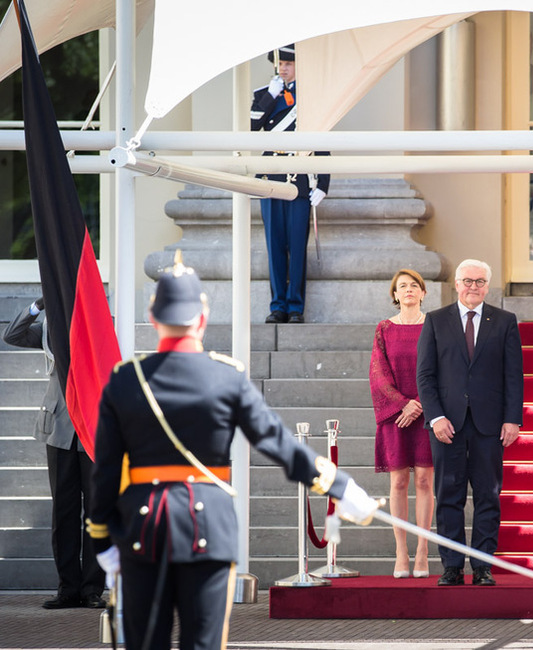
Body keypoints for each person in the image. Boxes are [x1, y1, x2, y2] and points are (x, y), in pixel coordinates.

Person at [85, 258, 378, 650]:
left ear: (154, 318)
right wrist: (337, 485)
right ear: (202, 318)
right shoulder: (226, 376)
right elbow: (277, 442)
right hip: (210, 526)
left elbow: (103, 472)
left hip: (144, 528)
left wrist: (103, 541)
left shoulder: (125, 380)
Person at [416, 259, 523, 586]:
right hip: (446, 425)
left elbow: (513, 375)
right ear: (456, 285)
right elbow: (425, 375)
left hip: (490, 424)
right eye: (467, 281)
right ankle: (451, 566)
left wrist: (512, 419)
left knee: (488, 495)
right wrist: (435, 417)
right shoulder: (435, 321)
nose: (473, 286)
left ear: (487, 286)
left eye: (479, 281)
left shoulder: (504, 321)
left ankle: (482, 566)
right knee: (448, 495)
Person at [2, 298, 106, 609]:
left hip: (92, 429)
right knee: (64, 512)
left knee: (96, 512)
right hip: (60, 428)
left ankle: (91, 590)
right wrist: (37, 306)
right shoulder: (50, 328)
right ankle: (68, 589)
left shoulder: (99, 323)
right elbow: (12, 335)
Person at [251, 43, 329, 324]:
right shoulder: (263, 96)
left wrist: (323, 183)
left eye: (288, 63)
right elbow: (251, 128)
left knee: (297, 248)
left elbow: (322, 141)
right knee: (275, 247)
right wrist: (271, 98)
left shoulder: (311, 99)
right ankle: (277, 305)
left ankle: (295, 307)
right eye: (279, 63)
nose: (283, 68)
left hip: (299, 181)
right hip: (270, 179)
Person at [369, 269, 434, 579]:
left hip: (427, 413)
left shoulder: (435, 326)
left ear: (423, 293)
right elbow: (378, 374)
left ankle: (422, 551)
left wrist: (419, 403)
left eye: (414, 286)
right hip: (397, 415)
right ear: (395, 295)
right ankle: (401, 551)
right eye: (402, 286)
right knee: (398, 483)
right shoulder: (384, 328)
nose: (408, 290)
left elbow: (442, 369)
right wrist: (402, 404)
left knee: (424, 481)